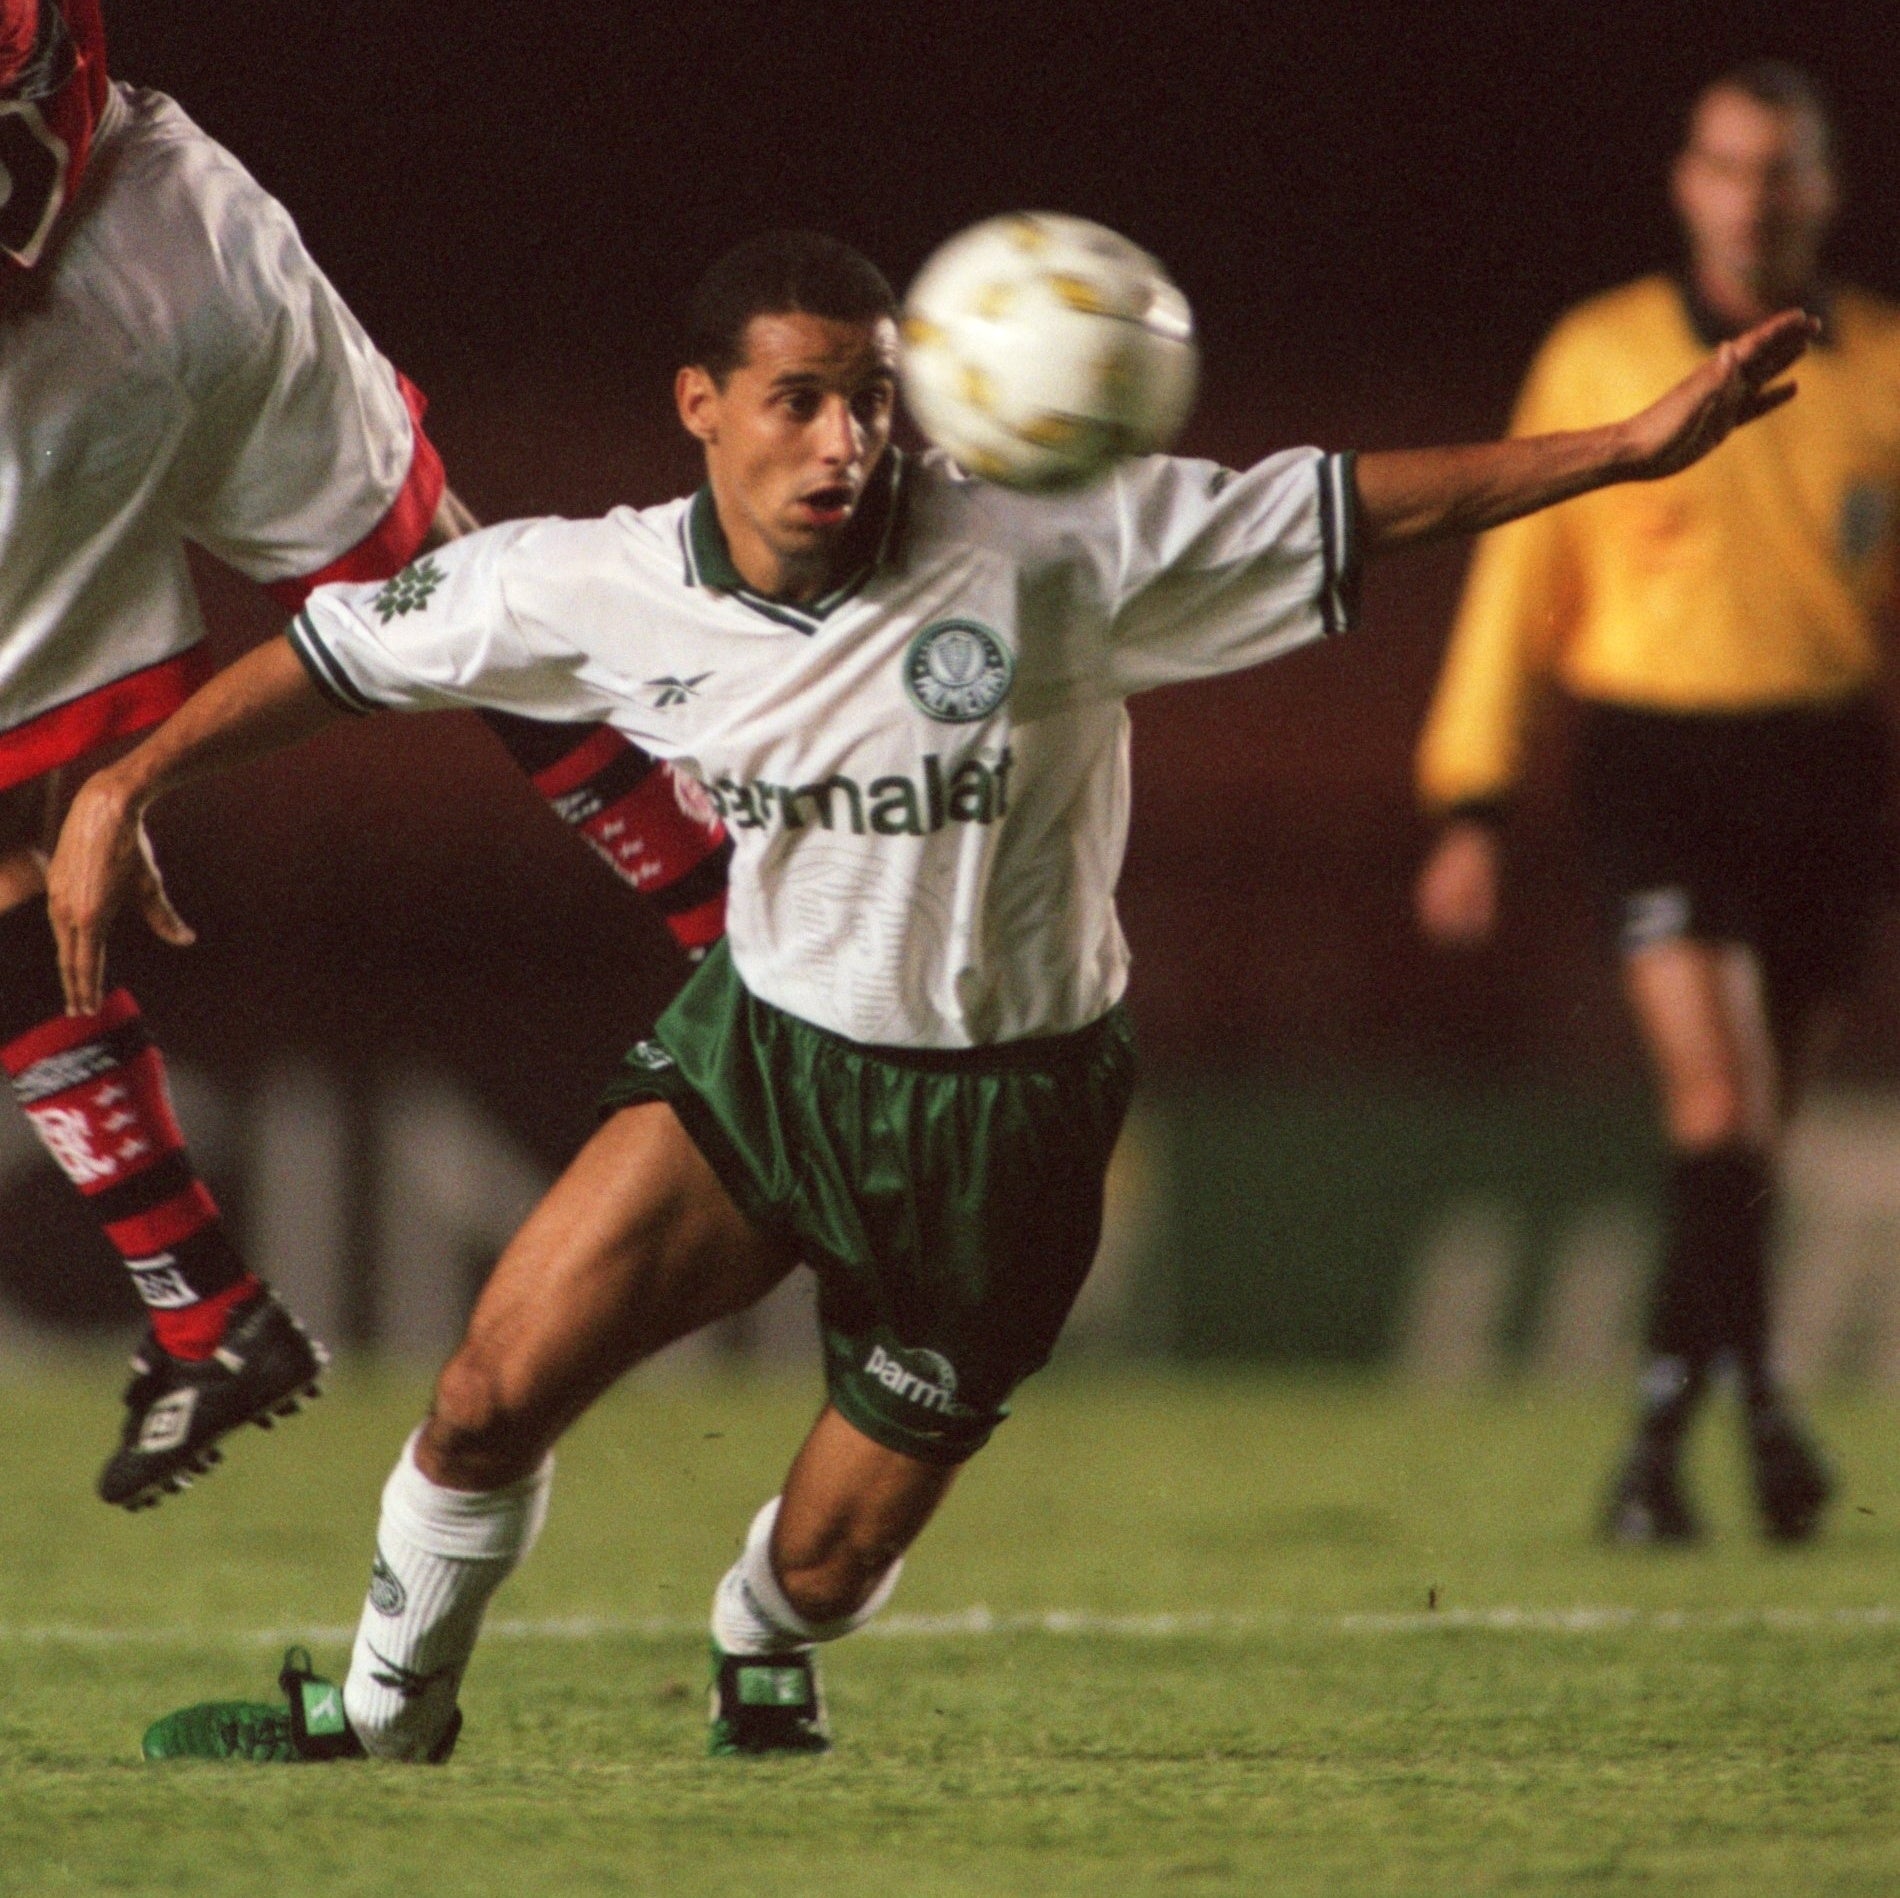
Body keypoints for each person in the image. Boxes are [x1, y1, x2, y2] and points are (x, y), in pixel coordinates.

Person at [52, 230, 1812, 1761]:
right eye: (803, 399)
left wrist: (1633, 449)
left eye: (875, 399)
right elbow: (346, 649)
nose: (847, 440)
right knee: (485, 1397)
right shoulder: (586, 583)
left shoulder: (1058, 550)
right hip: (764, 1060)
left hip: (1011, 1117)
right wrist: (130, 785)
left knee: (822, 1567)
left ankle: (759, 1643)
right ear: (700, 407)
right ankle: (384, 1715)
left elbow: (1354, 500)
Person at [0, 0, 727, 1512]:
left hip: (34, 373)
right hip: (176, 228)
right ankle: (756, 946)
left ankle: (207, 1310)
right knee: (460, 606)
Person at [1413, 63, 1900, 1547]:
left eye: (1784, 170)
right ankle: (1713, 1425)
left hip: (1828, 768)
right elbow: (1518, 579)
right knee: (1716, 1107)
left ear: (1824, 188)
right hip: (1656, 765)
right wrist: (1472, 796)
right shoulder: (1598, 352)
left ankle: (1698, 1427)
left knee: (1753, 1142)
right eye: (1729, 165)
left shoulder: (1882, 363)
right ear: (1688, 182)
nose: (1756, 196)